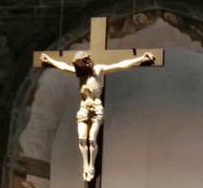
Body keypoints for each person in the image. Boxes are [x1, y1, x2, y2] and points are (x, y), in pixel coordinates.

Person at [40, 50, 155, 181]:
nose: (80, 66)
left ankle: (91, 165)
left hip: (96, 108)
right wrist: (50, 60)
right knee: (82, 138)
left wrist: (140, 59)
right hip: (84, 109)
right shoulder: (80, 74)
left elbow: (120, 65)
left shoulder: (98, 70)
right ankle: (85, 165)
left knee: (91, 139)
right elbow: (63, 67)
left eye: (81, 63)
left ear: (86, 61)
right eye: (78, 64)